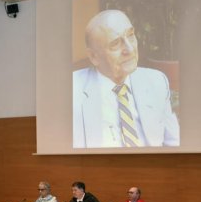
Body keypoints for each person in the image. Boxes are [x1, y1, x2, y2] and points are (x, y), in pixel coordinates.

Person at [73, 9, 179, 148]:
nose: (129, 49)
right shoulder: (72, 92)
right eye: (115, 43)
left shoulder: (156, 81)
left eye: (130, 35)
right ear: (94, 56)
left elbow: (174, 143)